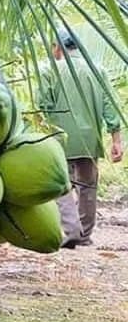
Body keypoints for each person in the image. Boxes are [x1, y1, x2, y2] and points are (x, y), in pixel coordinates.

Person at [38, 29, 123, 248]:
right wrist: (116, 140)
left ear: (58, 46)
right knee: (88, 186)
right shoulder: (98, 70)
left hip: (60, 138)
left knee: (60, 184)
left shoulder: (49, 70)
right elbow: (109, 106)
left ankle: (70, 229)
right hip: (89, 138)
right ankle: (84, 234)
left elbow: (42, 106)